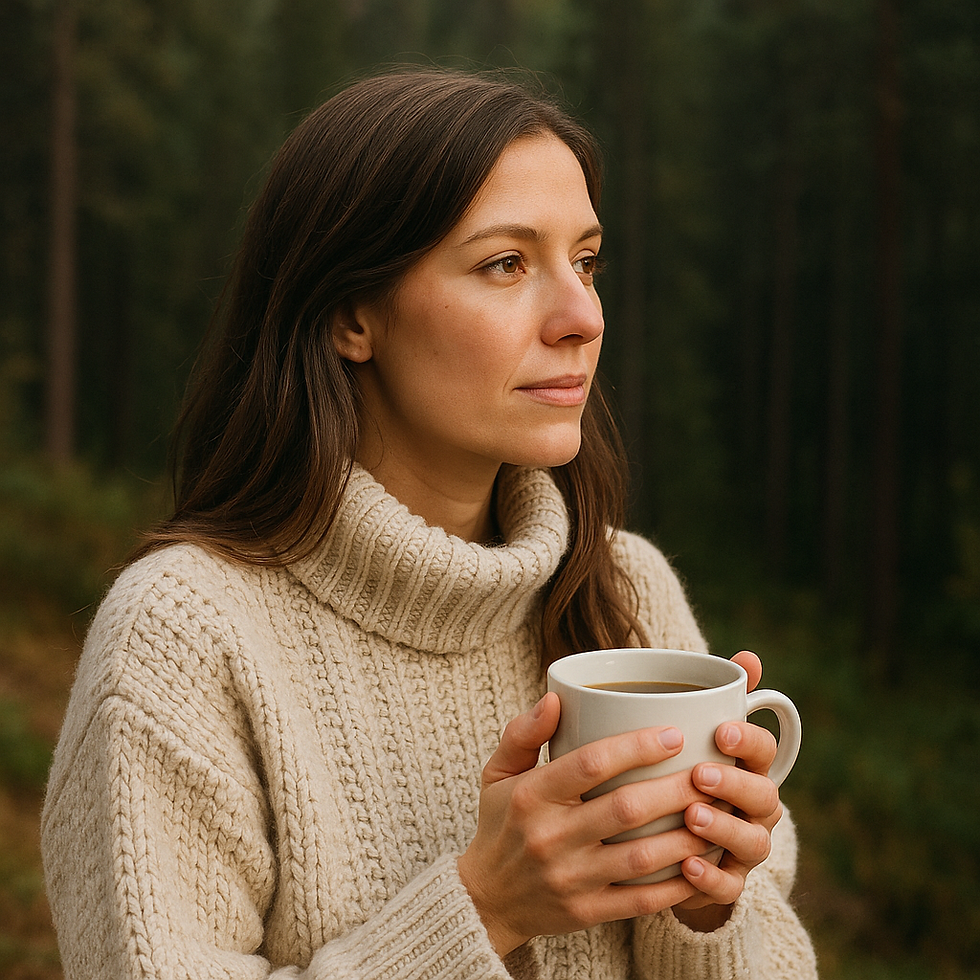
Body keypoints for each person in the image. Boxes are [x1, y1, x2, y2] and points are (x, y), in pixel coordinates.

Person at [41, 68, 818, 980]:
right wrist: (485, 909)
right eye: (506, 264)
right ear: (349, 316)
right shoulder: (184, 635)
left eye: (587, 260)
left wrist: (705, 908)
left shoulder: (625, 589)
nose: (582, 316)